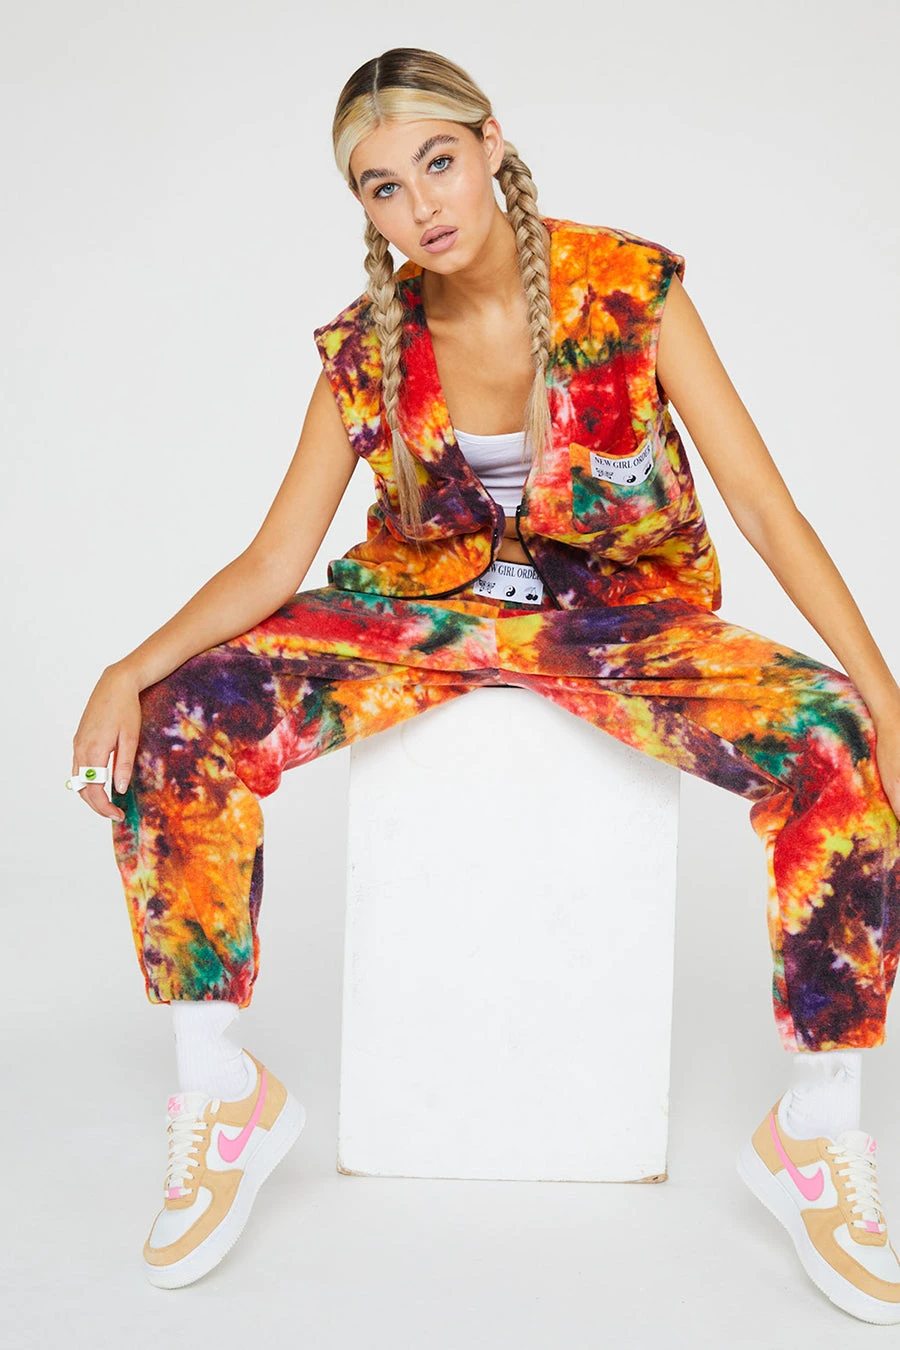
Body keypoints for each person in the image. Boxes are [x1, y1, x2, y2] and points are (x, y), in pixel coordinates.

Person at [67, 47, 900, 1317]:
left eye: (438, 163)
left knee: (836, 735)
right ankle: (220, 1088)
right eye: (383, 188)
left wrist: (885, 691)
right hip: (425, 615)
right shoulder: (367, 349)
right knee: (178, 717)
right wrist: (126, 669)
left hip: (617, 621)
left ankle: (817, 1129)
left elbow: (762, 506)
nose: (422, 206)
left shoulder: (629, 287)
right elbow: (277, 559)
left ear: (492, 143)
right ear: (365, 209)